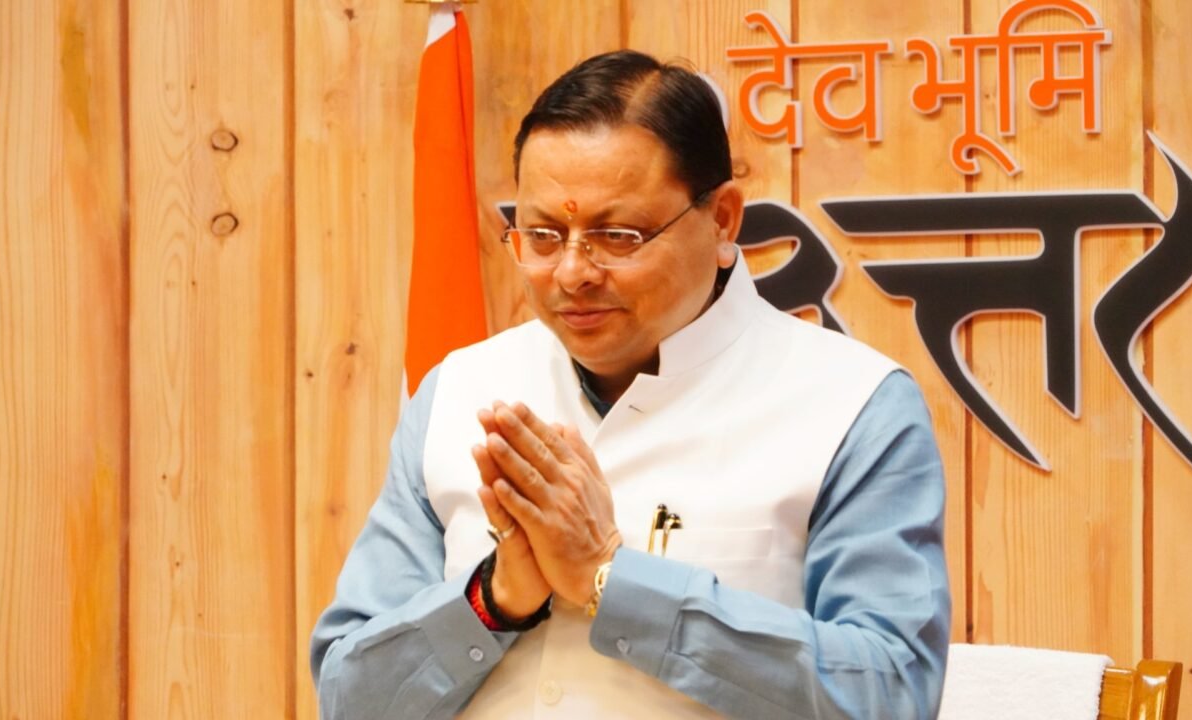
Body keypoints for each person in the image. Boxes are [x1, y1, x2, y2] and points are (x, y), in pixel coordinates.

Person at [310, 50, 950, 719]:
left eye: (617, 236)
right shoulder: (459, 390)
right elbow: (350, 699)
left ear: (723, 220)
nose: (572, 273)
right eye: (543, 235)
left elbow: (891, 694)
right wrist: (492, 599)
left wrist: (610, 579)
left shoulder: (853, 404)